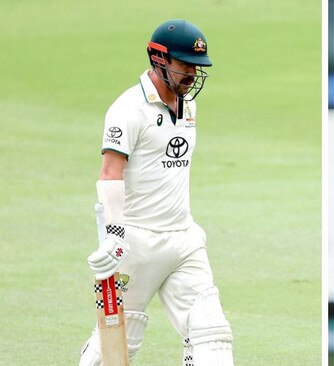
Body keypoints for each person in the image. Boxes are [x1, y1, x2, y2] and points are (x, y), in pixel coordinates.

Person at [79, 19, 234, 366]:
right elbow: (109, 173)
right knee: (116, 346)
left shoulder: (188, 106)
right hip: (137, 242)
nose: (192, 74)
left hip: (184, 239)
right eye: (184, 65)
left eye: (196, 67)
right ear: (158, 59)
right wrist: (114, 234)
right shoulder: (128, 109)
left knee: (213, 337)